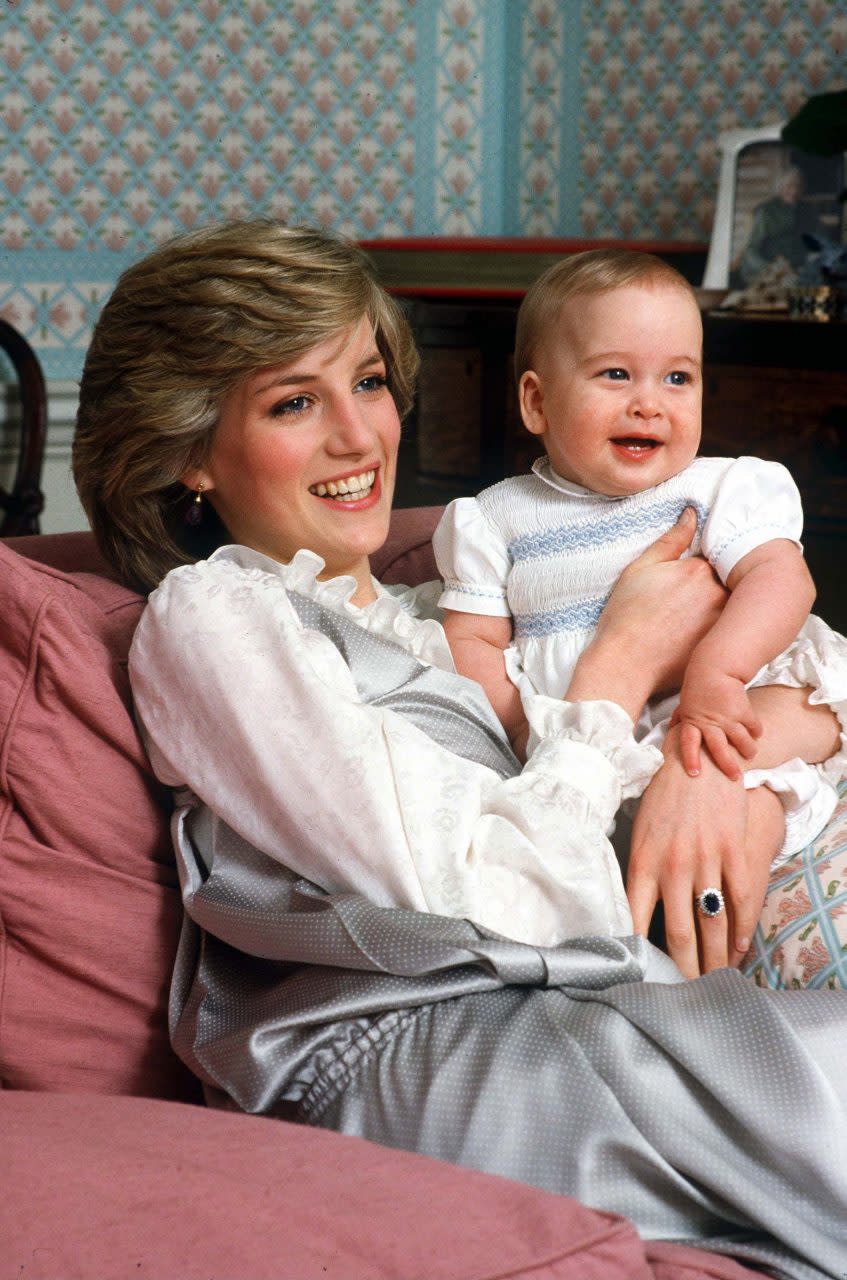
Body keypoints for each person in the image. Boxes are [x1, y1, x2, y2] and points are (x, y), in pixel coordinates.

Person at [71, 221, 847, 1280]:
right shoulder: (214, 617)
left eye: (370, 381)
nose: (360, 436)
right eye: (295, 401)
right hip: (415, 1048)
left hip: (578, 996)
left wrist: (724, 775)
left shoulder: (446, 608)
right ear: (188, 451)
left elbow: (820, 669)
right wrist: (618, 668)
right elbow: (473, 906)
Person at [434, 249, 847, 971]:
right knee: (622, 906)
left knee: (745, 824)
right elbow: (468, 641)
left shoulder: (717, 489)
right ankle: (674, 985)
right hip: (592, 754)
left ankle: (726, 976)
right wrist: (527, 729)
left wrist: (718, 671)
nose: (648, 402)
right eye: (615, 373)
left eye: (677, 377)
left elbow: (782, 581)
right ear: (536, 401)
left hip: (731, 721)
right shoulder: (493, 519)